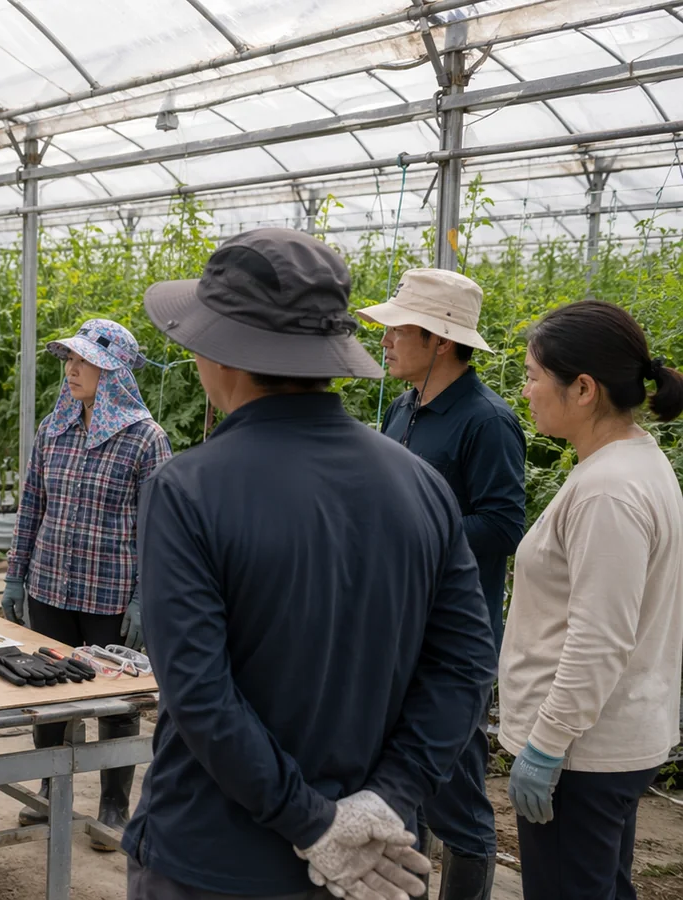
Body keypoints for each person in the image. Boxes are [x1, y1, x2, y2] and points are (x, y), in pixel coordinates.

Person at [124, 228, 497, 899]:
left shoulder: (188, 490)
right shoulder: (420, 486)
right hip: (374, 865)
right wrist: (388, 798)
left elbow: (200, 693)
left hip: (215, 860)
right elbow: (466, 663)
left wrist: (314, 824)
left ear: (222, 354)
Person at [500, 300, 683, 900]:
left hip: (581, 756)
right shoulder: (630, 464)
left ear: (582, 388)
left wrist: (546, 747)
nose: (525, 391)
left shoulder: (609, 491)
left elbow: (600, 636)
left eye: (531, 376)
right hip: (607, 742)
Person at [358, 268, 526, 899]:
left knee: (456, 794)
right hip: (395, 628)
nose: (387, 339)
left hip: (452, 640)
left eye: (401, 328)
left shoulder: (486, 421)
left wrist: (418, 532)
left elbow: (504, 522)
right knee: (402, 785)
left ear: (443, 341)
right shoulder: (404, 408)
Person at [1, 318, 172, 850]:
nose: (71, 370)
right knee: (47, 691)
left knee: (115, 704)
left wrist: (146, 597)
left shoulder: (146, 439)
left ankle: (115, 806)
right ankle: (51, 793)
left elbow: (158, 529)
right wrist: (15, 574)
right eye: (69, 360)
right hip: (49, 586)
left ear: (114, 372)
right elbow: (33, 506)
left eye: (84, 362)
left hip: (111, 596)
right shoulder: (55, 427)